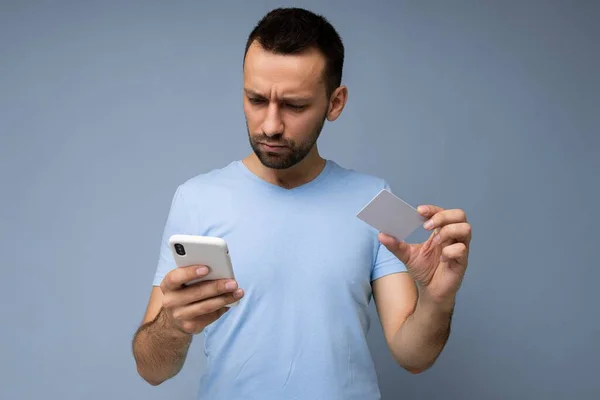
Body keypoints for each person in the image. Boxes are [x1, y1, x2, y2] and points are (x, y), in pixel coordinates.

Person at [132, 7, 472, 399]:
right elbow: (151, 370)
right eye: (256, 99)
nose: (271, 125)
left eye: (294, 106)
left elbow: (413, 355)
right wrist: (172, 325)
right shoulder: (196, 199)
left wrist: (437, 299)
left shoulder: (377, 200)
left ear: (335, 102)